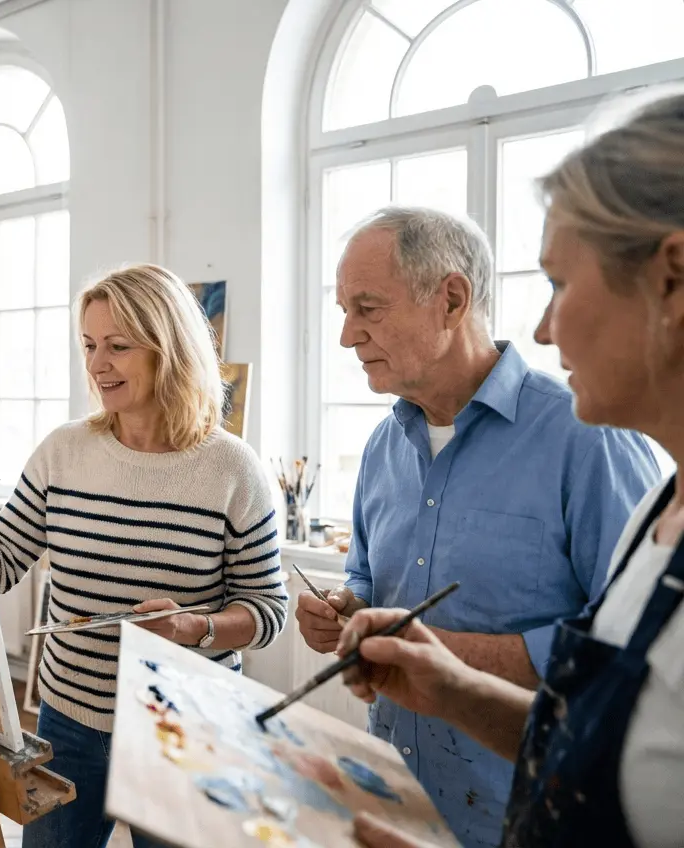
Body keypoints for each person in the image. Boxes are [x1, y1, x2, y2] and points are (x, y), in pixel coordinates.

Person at [338, 90, 684, 848]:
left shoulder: (588, 443)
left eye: (560, 283)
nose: (542, 325)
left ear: (672, 277)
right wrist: (454, 686)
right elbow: (596, 739)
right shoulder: (665, 507)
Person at [0, 263, 289, 848]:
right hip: (68, 724)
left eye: (118, 347)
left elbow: (268, 610)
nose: (98, 364)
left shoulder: (232, 469)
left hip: (184, 732)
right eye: (90, 345)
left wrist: (196, 626)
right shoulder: (63, 452)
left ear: (169, 350)